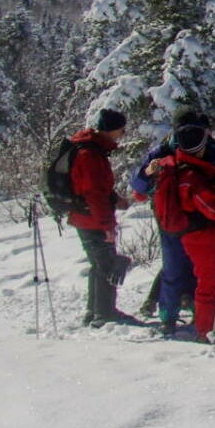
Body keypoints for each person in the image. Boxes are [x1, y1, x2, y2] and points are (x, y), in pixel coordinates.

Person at [130, 109, 215, 333]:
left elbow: (138, 187)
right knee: (183, 267)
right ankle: (181, 314)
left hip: (176, 215)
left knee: (179, 267)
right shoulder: (169, 150)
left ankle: (177, 313)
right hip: (183, 215)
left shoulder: (179, 147)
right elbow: (138, 184)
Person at [67, 108, 139, 327]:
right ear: (111, 129)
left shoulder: (92, 149)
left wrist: (116, 199)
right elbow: (93, 193)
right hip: (92, 219)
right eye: (121, 130)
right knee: (108, 265)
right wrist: (107, 226)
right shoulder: (90, 154)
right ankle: (104, 314)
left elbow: (98, 188)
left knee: (99, 264)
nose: (123, 134)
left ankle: (95, 311)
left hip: (86, 216)